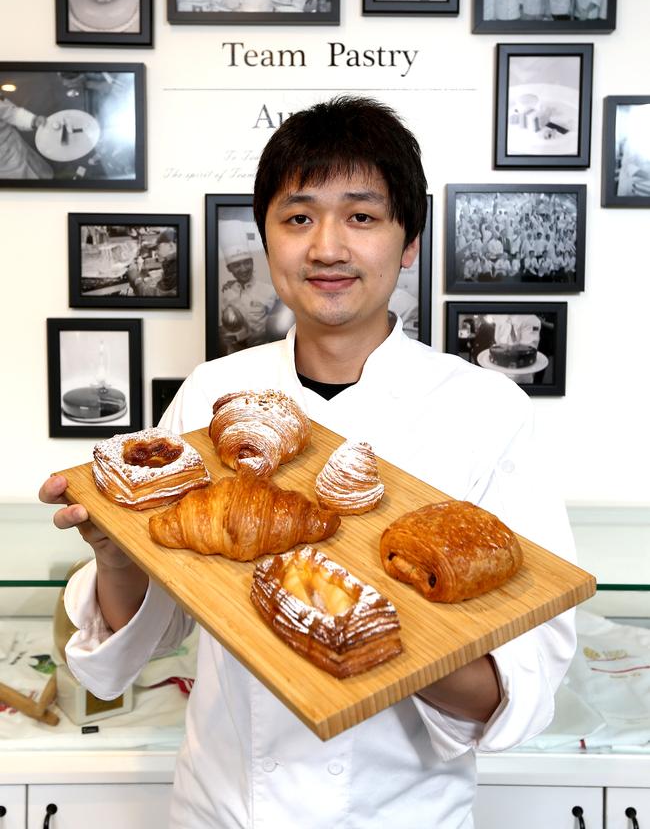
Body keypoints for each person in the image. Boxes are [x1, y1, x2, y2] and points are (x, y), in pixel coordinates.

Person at [40, 97, 576, 829]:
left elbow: (525, 685)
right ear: (267, 240)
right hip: (222, 807)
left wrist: (363, 622)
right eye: (298, 218)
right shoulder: (213, 394)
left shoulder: (485, 410)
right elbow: (153, 634)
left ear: (409, 240)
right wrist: (118, 555)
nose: (326, 247)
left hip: (399, 816)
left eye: (361, 216)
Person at [218, 240, 279, 351]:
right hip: (233, 354)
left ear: (252, 262)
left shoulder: (270, 292)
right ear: (229, 268)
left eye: (247, 262)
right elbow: (223, 326)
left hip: (263, 353)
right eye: (236, 265)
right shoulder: (226, 292)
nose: (244, 269)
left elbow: (278, 329)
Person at [0, 94, 52, 179]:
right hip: (3, 168)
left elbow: (13, 114)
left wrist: (33, 120)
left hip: (12, 145)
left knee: (32, 166)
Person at [126, 228, 178, 297]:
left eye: (158, 247)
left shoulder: (177, 270)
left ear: (171, 246)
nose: (156, 252)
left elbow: (155, 298)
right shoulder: (173, 261)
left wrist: (135, 280)